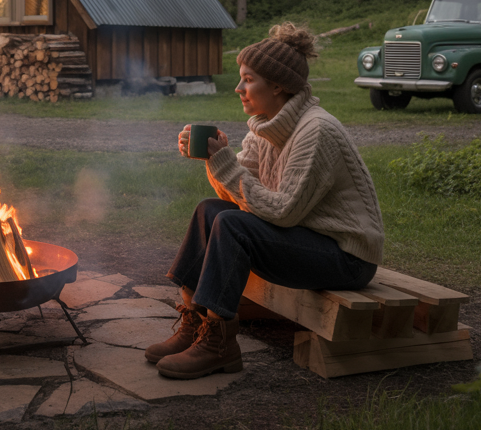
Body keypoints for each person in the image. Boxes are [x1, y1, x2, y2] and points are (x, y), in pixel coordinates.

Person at [148, 22, 385, 380]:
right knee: (210, 211)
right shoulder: (264, 125)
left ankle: (219, 344)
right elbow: (239, 194)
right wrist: (215, 160)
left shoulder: (316, 131)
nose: (238, 88)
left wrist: (224, 164)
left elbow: (282, 212)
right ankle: (194, 322)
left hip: (347, 257)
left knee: (231, 224)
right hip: (309, 237)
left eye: (248, 79)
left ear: (278, 85)